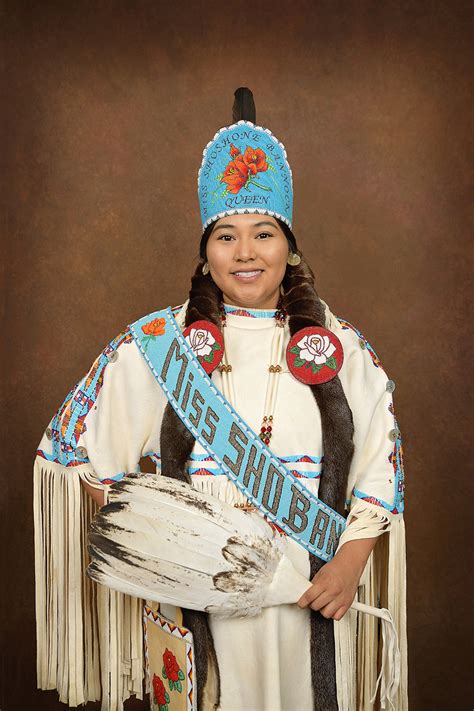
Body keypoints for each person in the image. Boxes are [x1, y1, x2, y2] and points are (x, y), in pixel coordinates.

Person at [33, 88, 408, 711]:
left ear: (289, 247)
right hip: (197, 595)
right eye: (226, 236)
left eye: (263, 233)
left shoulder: (342, 350)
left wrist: (349, 563)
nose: (246, 252)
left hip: (307, 592)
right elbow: (77, 451)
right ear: (206, 255)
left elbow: (379, 463)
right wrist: (158, 536)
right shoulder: (161, 347)